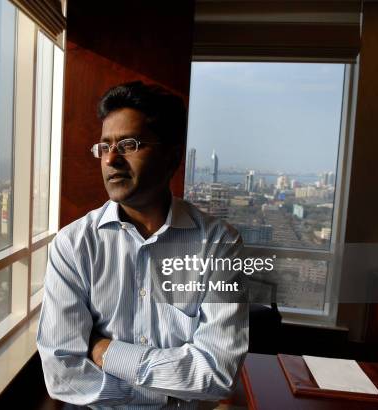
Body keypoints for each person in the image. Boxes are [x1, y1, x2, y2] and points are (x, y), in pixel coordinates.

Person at [36, 81, 248, 409]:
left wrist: (106, 351)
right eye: (104, 146)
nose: (111, 159)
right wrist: (164, 389)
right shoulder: (74, 245)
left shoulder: (218, 244)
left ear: (171, 157)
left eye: (129, 144)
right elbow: (62, 372)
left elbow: (218, 373)